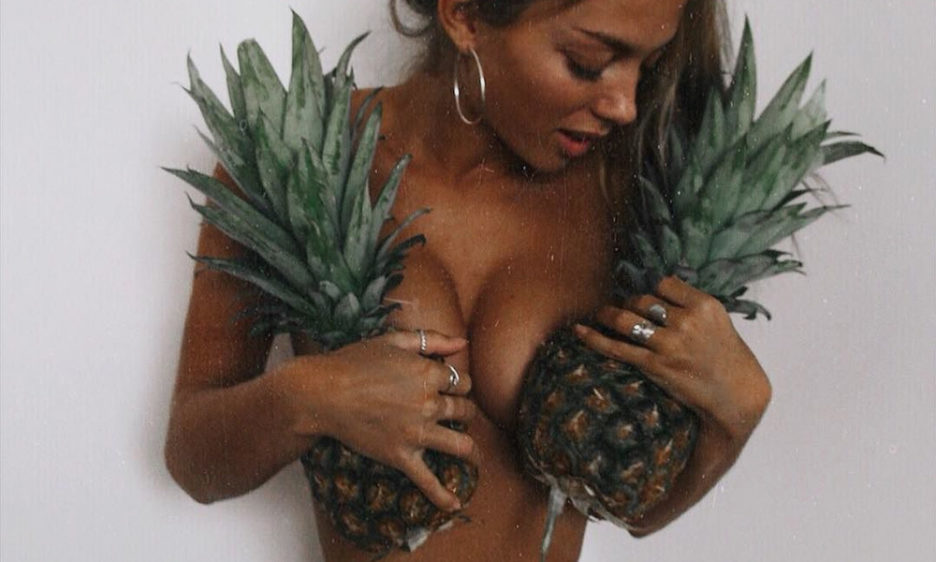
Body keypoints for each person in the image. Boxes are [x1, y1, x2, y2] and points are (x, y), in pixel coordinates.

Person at [164, 0, 772, 560]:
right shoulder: (300, 161)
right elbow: (193, 459)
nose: (625, 106)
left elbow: (633, 510)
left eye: (648, 64)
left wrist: (737, 416)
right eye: (587, 62)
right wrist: (311, 395)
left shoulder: (629, 193)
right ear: (464, 16)